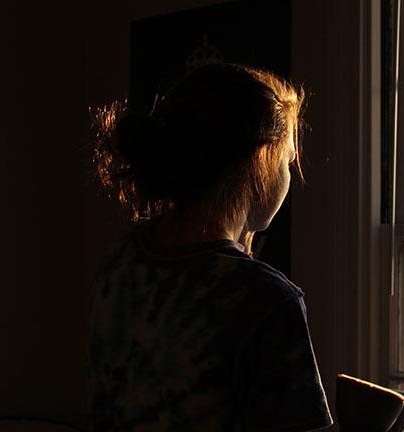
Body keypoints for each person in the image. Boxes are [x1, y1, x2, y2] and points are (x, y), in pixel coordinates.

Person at [87, 63, 332, 431]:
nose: (289, 176)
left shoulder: (124, 255)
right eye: (287, 160)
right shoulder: (267, 299)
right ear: (259, 161)